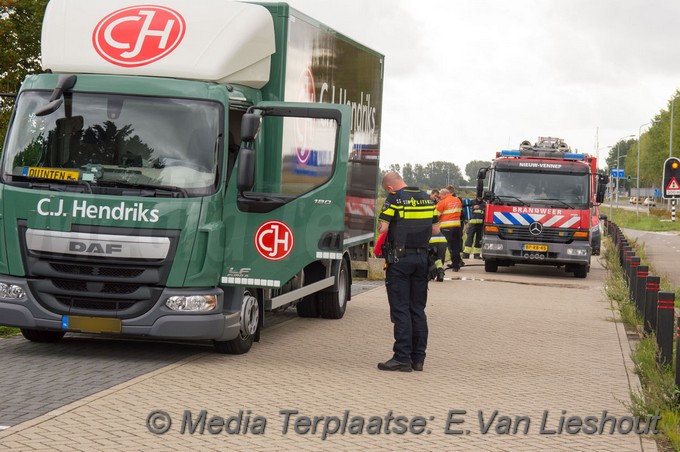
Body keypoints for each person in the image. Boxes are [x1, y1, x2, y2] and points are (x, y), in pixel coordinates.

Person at [377, 172, 439, 372]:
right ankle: (418, 359)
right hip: (422, 259)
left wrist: (385, 220)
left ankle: (402, 357)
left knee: (401, 308)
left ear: (389, 188)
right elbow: (436, 230)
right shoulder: (428, 199)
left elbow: (382, 229)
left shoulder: (394, 198)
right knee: (417, 309)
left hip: (400, 260)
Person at [436, 188, 464, 271]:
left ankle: (440, 267)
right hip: (457, 226)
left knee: (443, 247)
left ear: (444, 194)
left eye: (440, 195)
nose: (439, 196)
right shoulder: (457, 200)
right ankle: (456, 266)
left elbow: (436, 215)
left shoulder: (442, 202)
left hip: (446, 227)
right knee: (455, 247)